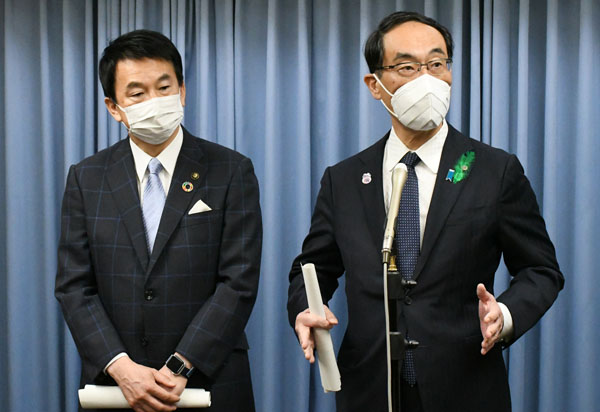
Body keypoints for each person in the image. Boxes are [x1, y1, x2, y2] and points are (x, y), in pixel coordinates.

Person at [287, 11, 563, 412]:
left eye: (436, 64)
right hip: (370, 389)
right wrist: (306, 308)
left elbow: (541, 270)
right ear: (375, 85)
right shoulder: (343, 180)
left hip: (466, 387)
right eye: (407, 67)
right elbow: (311, 268)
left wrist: (503, 315)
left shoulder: (495, 171)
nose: (427, 79)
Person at [55, 30, 262, 412]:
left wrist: (181, 365)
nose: (154, 101)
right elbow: (74, 286)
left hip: (211, 381)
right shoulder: (87, 177)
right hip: (116, 387)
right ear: (114, 107)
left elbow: (239, 281)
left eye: (164, 88)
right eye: (137, 93)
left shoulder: (231, 170)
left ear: (182, 91)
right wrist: (121, 367)